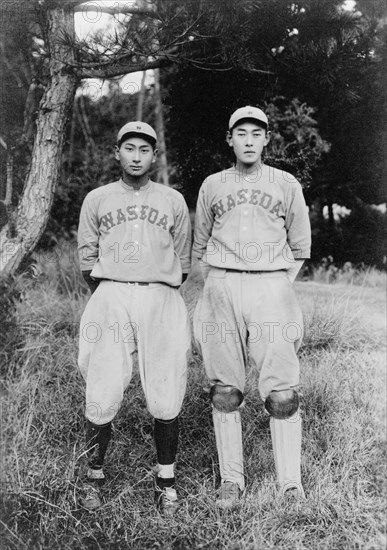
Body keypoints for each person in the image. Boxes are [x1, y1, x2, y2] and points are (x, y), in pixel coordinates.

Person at [192, 106, 311, 507]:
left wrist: (274, 284)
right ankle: (232, 481)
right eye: (240, 132)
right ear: (230, 139)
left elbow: (299, 246)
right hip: (223, 285)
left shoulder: (286, 182)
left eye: (255, 133)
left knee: (282, 393)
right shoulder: (212, 184)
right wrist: (222, 284)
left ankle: (290, 484)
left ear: (266, 139)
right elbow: (201, 244)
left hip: (272, 286)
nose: (247, 139)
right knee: (225, 389)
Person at [77, 121, 192, 515]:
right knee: (103, 387)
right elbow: (86, 258)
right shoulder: (97, 198)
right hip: (111, 293)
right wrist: (111, 293)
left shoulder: (173, 200)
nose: (137, 156)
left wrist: (154, 288)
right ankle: (94, 477)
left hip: (161, 296)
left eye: (145, 149)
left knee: (165, 388)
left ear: (154, 156)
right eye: (130, 148)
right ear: (117, 152)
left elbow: (184, 260)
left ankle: (166, 482)